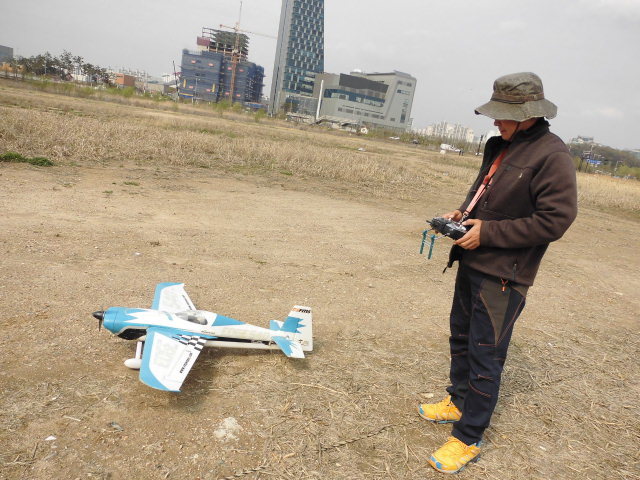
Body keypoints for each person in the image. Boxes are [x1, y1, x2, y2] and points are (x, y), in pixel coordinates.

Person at [418, 72, 578, 474]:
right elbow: (483, 191)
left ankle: (468, 436)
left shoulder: (552, 155)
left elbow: (555, 220)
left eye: (503, 114)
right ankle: (457, 400)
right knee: (460, 337)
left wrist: (489, 233)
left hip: (505, 274)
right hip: (471, 259)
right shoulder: (499, 145)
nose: (495, 121)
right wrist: (463, 214)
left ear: (528, 114)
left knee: (485, 354)